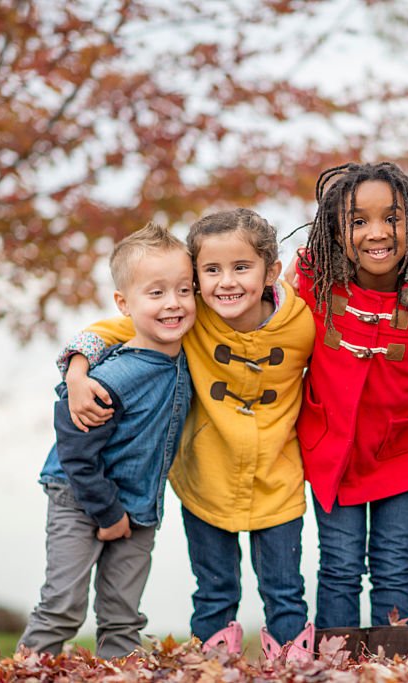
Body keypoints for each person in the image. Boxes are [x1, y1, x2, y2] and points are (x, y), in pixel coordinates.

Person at [60, 209, 316, 661]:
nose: (226, 282)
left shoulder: (300, 323)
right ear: (196, 279)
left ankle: (294, 666)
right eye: (211, 270)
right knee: (214, 590)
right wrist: (78, 370)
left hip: (279, 480)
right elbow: (107, 329)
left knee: (285, 590)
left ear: (270, 271)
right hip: (206, 480)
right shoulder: (189, 321)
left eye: (241, 267)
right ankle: (212, 665)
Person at [293, 161, 408, 656]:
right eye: (358, 220)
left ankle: (398, 667)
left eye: (392, 218)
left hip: (407, 457)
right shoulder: (316, 282)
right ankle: (337, 667)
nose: (377, 233)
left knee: (394, 564)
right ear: (335, 230)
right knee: (340, 565)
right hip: (335, 457)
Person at [19, 222, 195, 659]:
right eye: (155, 293)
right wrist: (107, 511)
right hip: (80, 497)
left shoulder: (188, 354)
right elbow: (75, 449)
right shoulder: (115, 375)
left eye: (184, 290)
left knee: (123, 614)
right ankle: (22, 671)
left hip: (139, 504)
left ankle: (119, 672)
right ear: (124, 304)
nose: (173, 303)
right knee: (62, 607)